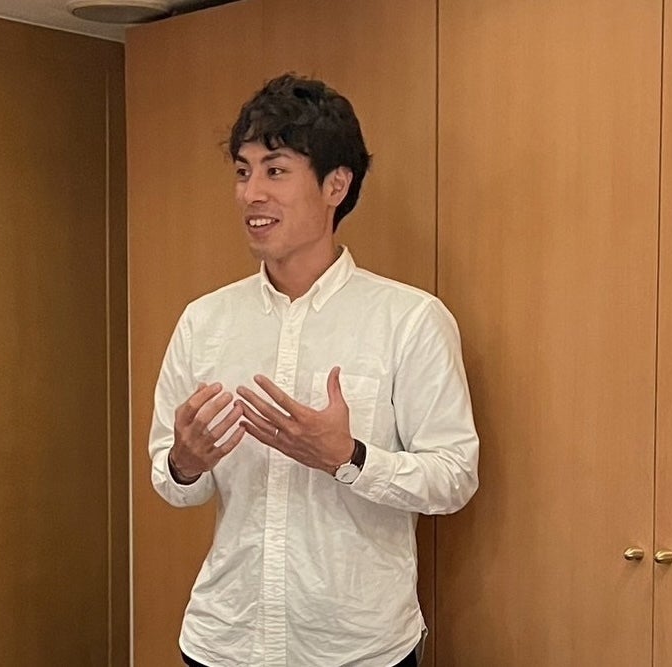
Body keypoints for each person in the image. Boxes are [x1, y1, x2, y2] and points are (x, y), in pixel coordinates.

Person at [149, 73, 479, 667]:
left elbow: (454, 477)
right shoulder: (204, 322)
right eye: (243, 172)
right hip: (224, 642)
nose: (251, 193)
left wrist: (348, 458)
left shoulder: (410, 320)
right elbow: (170, 482)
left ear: (335, 185)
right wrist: (185, 462)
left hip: (357, 649)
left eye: (275, 170)